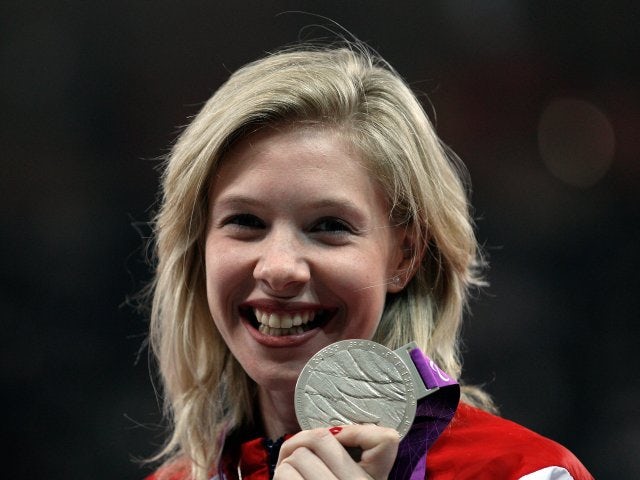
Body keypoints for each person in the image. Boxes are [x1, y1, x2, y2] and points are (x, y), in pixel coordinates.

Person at [144, 43, 593, 480]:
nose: (279, 268)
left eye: (329, 226)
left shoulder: (525, 472)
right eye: (245, 221)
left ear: (404, 256)